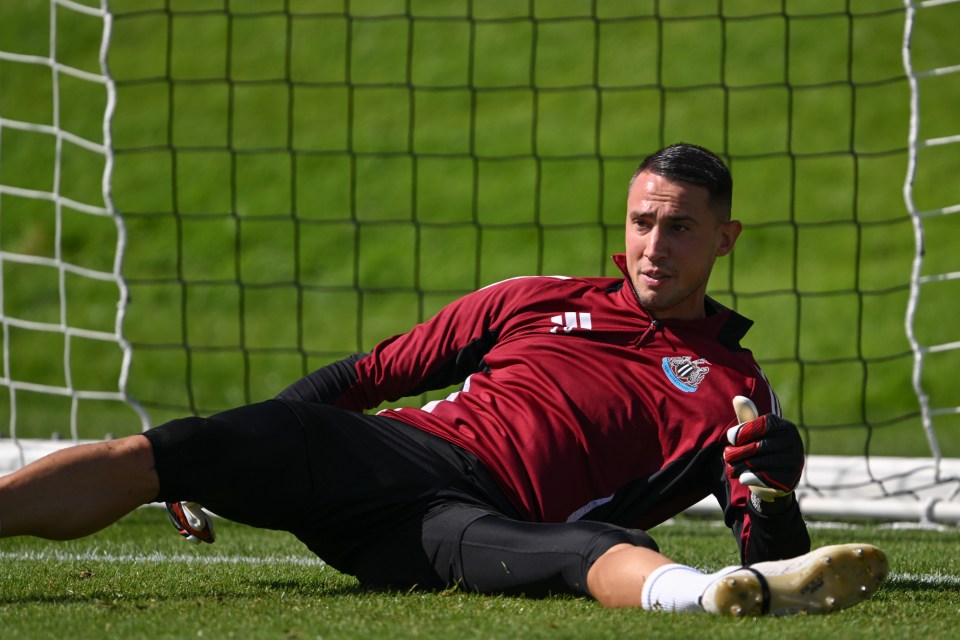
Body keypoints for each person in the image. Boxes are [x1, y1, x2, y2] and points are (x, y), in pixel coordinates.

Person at [0, 143, 887, 616]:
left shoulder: (734, 388)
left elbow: (772, 549)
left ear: (724, 240)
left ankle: (708, 603)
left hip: (465, 526)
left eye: (682, 228)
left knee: (589, 555)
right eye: (644, 222)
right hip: (388, 454)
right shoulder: (537, 298)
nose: (656, 245)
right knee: (163, 448)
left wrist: (773, 497)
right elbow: (368, 375)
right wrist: (232, 456)